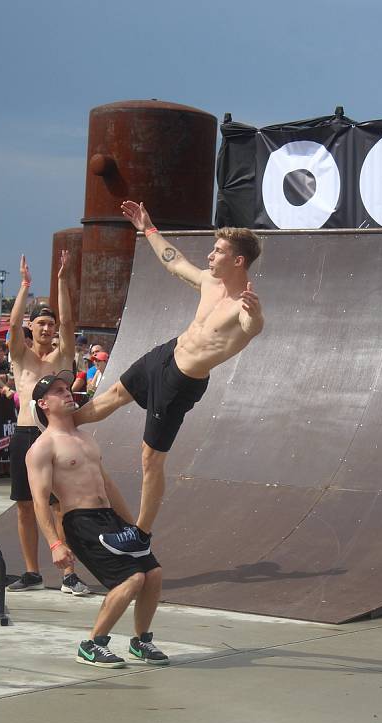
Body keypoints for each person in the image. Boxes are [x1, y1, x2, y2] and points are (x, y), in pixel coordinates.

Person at [73, 200, 264, 552]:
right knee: (113, 393)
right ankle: (60, 424)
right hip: (166, 354)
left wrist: (254, 315)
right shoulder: (210, 282)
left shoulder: (244, 306)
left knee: (151, 457)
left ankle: (141, 536)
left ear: (238, 261)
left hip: (182, 383)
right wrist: (148, 227)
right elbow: (175, 263)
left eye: (218, 251)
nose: (210, 256)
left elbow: (253, 328)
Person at [26, 372, 168, 668]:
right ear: (43, 403)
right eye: (58, 391)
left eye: (67, 388)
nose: (67, 393)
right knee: (131, 579)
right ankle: (92, 644)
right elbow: (40, 501)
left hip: (111, 518)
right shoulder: (43, 447)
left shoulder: (86, 438)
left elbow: (109, 486)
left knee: (152, 574)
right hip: (82, 522)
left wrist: (136, 527)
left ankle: (141, 641)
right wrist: (55, 544)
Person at [7, 251, 89, 595]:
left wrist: (60, 280)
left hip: (54, 436)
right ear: (32, 327)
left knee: (59, 506)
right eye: (41, 323)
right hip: (25, 434)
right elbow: (12, 326)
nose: (47, 328)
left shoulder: (60, 357)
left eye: (50, 324)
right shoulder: (21, 356)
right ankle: (31, 572)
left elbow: (70, 325)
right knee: (25, 506)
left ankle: (69, 574)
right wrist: (25, 286)